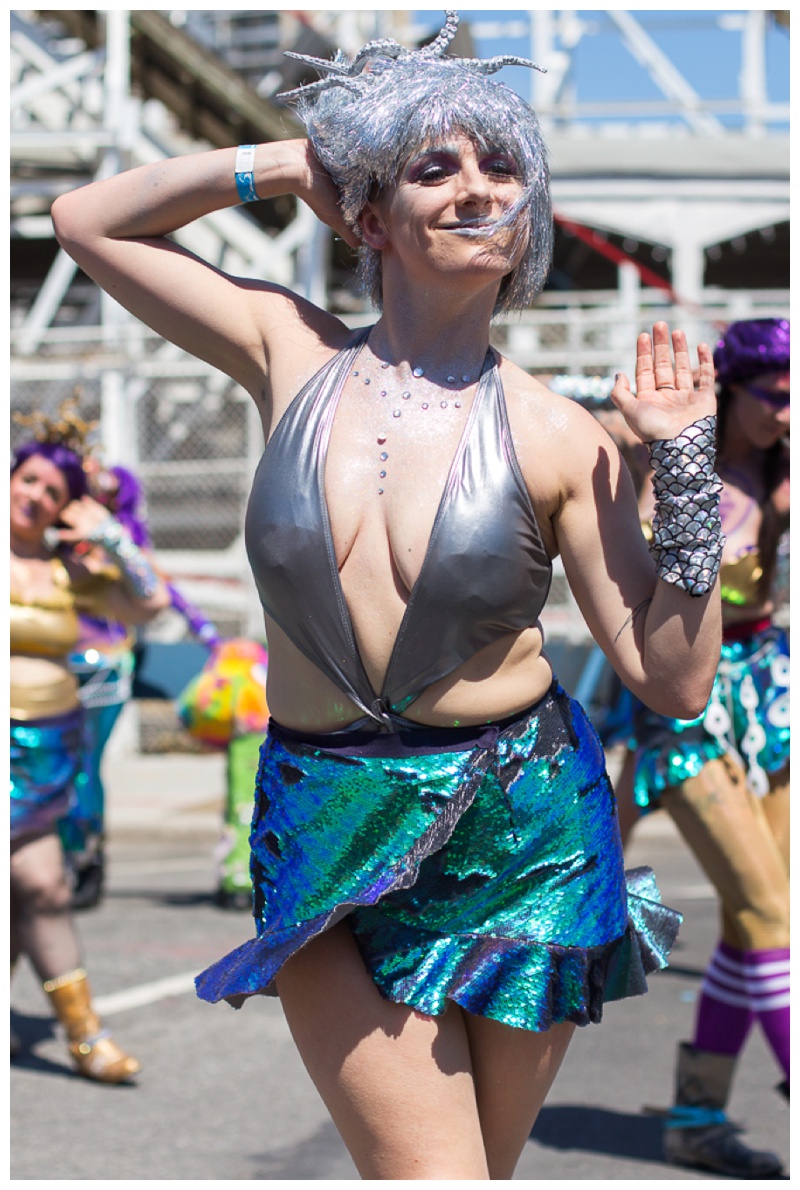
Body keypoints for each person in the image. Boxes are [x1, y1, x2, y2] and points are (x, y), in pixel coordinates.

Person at [51, 12, 724, 1177]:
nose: (474, 188)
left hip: (519, 835)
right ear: (370, 217)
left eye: (501, 167)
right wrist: (284, 165)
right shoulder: (285, 348)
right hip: (323, 817)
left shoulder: (560, 436)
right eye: (433, 166)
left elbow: (671, 673)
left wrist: (686, 466)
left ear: (529, 222)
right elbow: (86, 222)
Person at [618, 317, 790, 1178]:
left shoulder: (781, 470)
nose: (789, 414)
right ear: (733, 389)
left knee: (753, 919)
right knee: (769, 911)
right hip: (684, 702)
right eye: (776, 397)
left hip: (768, 695)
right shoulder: (682, 464)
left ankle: (694, 1116)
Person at [10, 407, 170, 1082]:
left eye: (52, 493)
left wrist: (113, 537)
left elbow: (150, 604)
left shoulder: (69, 573)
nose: (35, 498)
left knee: (44, 888)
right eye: (29, 481)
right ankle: (85, 1031)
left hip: (45, 751)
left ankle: (82, 1036)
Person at [63, 458, 221, 908]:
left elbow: (158, 590)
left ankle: (86, 859)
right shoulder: (49, 538)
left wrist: (206, 634)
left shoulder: (119, 540)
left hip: (102, 668)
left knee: (83, 765)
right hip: (46, 670)